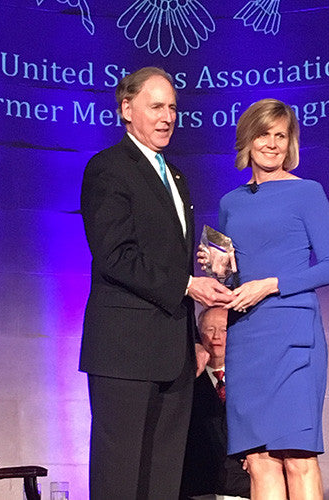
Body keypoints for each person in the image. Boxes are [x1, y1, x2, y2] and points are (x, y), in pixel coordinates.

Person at [79, 66, 234, 499]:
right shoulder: (107, 168)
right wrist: (187, 284)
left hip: (174, 355)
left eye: (172, 108)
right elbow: (115, 256)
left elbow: (165, 256)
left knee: (163, 480)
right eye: (156, 106)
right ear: (127, 108)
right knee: (121, 478)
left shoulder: (176, 176)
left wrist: (204, 267)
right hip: (125, 351)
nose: (167, 116)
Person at [208, 98, 329, 499]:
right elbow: (235, 278)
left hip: (293, 338)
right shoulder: (230, 202)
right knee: (260, 462)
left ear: (291, 143)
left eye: (280, 135)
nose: (272, 143)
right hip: (247, 340)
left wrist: (270, 284)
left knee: (298, 459)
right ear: (248, 138)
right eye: (264, 134)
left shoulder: (308, 193)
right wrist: (220, 269)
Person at [180, 306, 250, 500]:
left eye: (224, 329)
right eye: (209, 330)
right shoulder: (186, 384)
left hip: (246, 484)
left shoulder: (251, 381)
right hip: (198, 485)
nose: (216, 337)